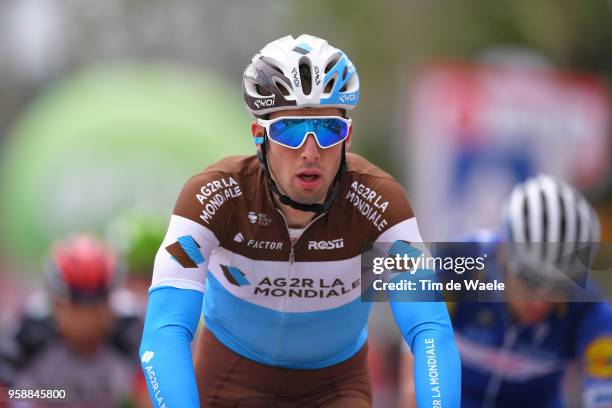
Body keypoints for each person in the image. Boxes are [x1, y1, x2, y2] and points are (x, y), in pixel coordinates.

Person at [139, 34, 461, 408]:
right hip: (230, 379)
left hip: (335, 385)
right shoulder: (215, 196)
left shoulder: (378, 203)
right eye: (290, 131)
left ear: (348, 137)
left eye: (328, 130)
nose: (310, 151)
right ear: (259, 136)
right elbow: (164, 332)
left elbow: (429, 331)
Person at [400, 175, 612, 408]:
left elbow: (604, 395)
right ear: (503, 254)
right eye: (531, 279)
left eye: (559, 284)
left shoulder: (588, 309)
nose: (542, 299)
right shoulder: (457, 265)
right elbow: (416, 376)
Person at [0, 234, 145, 407]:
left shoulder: (131, 327)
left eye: (96, 306)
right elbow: (5, 393)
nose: (87, 320)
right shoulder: (29, 330)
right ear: (55, 304)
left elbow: (153, 390)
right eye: (77, 308)